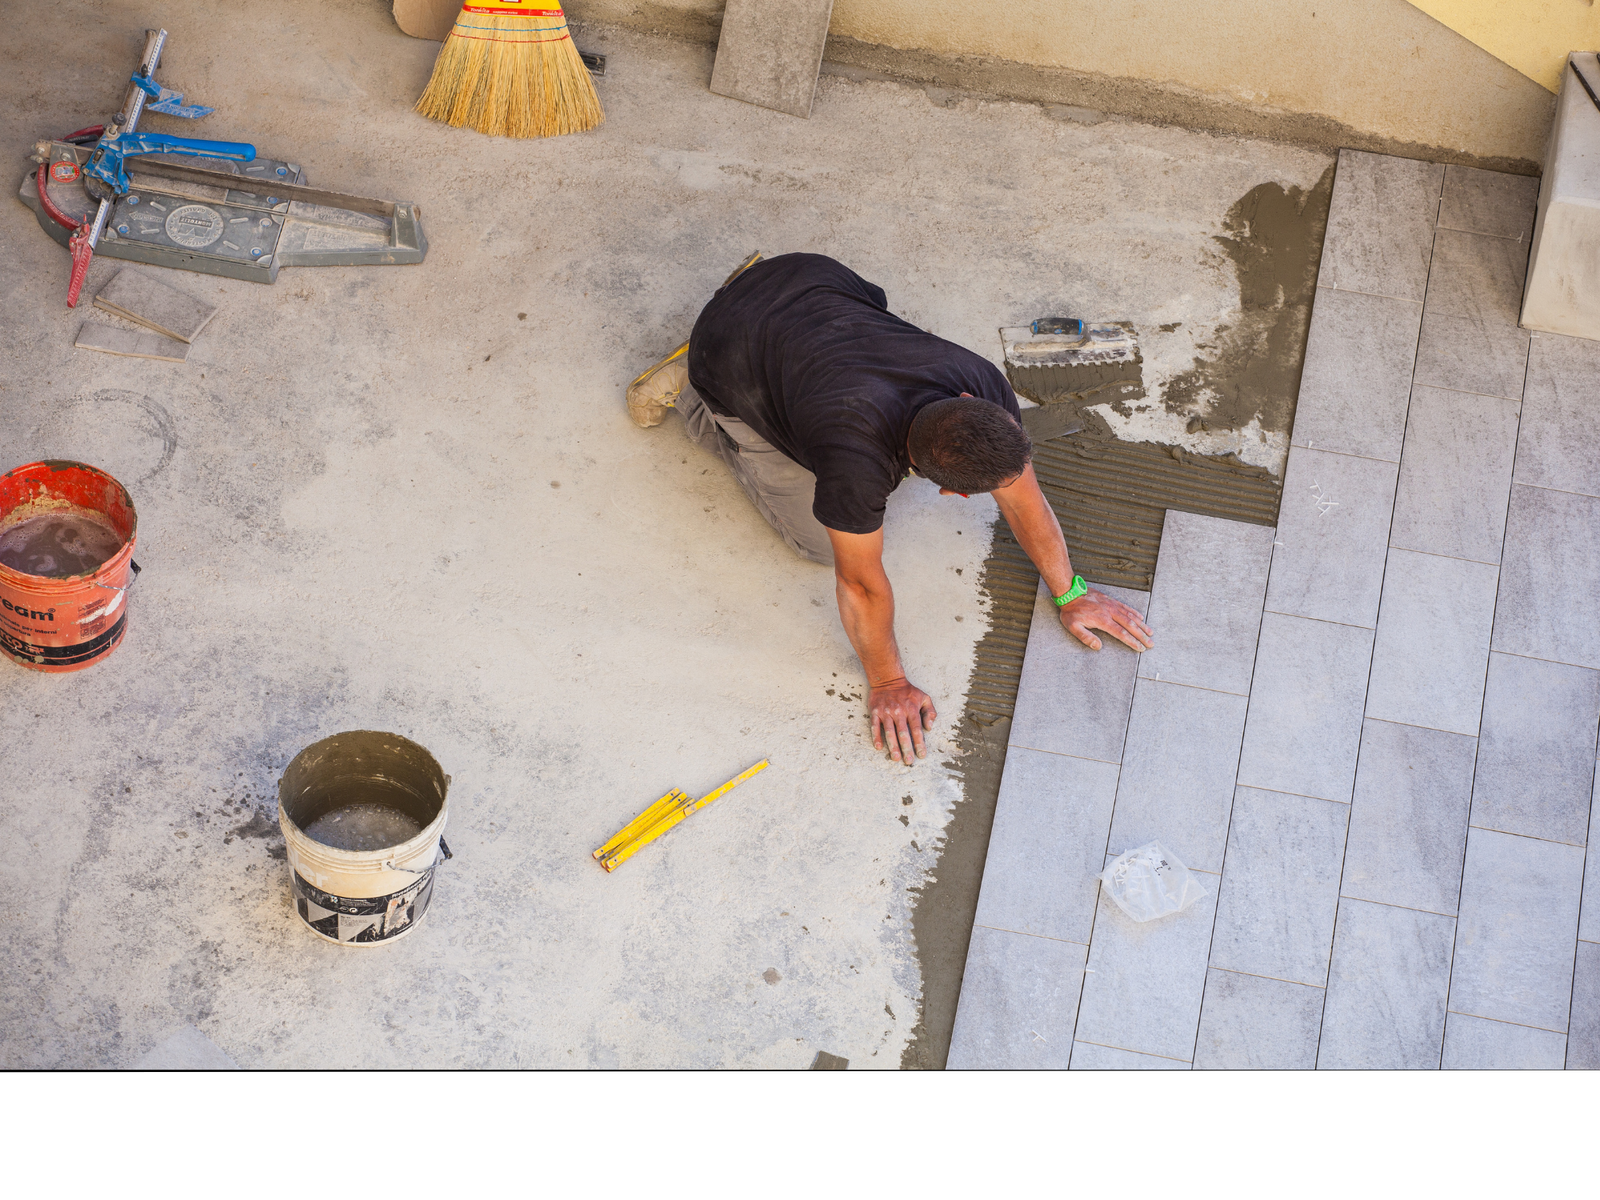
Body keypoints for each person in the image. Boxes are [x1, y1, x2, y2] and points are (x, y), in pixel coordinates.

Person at [627, 253, 1153, 764]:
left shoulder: (986, 387)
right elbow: (860, 584)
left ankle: (751, 301)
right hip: (727, 348)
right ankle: (689, 389)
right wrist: (888, 682)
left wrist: (1072, 592)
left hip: (803, 276)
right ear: (949, 491)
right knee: (816, 543)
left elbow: (1025, 501)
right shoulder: (855, 463)